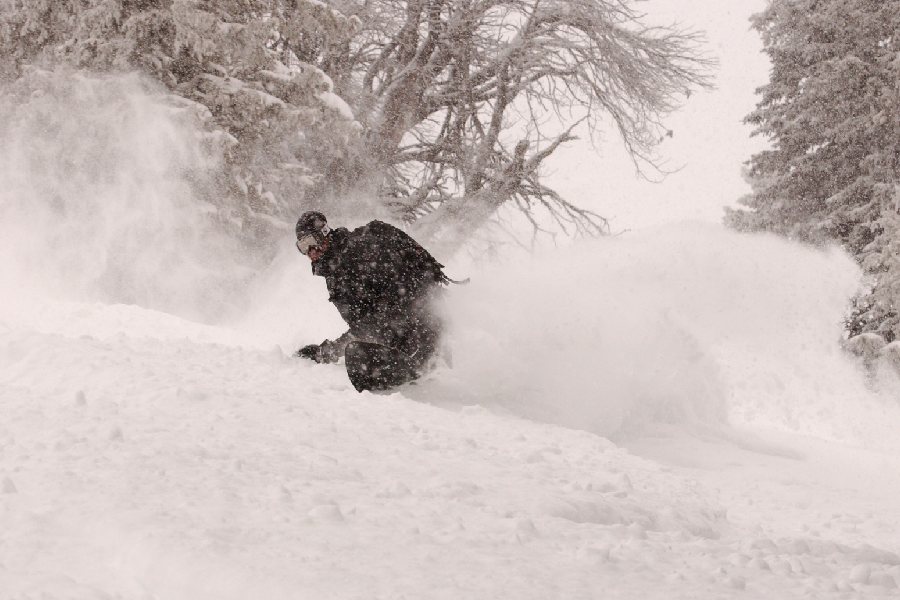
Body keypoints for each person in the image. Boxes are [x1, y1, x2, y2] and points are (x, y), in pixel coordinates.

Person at [293, 210, 455, 392]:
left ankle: (425, 370)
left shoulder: (356, 255)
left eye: (311, 242)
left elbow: (382, 318)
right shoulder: (336, 266)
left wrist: (331, 351)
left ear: (324, 233)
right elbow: (369, 322)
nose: (310, 251)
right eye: (302, 246)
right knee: (358, 355)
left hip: (421, 334)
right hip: (405, 333)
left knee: (357, 357)